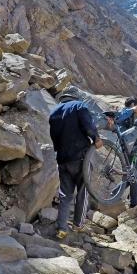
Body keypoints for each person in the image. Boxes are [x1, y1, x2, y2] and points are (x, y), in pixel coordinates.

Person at [49, 85, 103, 239]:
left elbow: (55, 138)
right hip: (81, 158)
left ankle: (61, 228)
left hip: (63, 159)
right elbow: (88, 125)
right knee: (83, 192)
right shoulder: (79, 106)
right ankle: (78, 225)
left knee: (65, 195)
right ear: (75, 96)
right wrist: (96, 138)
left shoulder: (53, 112)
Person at [109, 97, 137, 208]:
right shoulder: (124, 111)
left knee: (136, 176)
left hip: (132, 148)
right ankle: (133, 203)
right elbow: (118, 118)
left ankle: (116, 193)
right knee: (134, 174)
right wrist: (132, 110)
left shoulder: (131, 114)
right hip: (127, 149)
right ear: (133, 104)